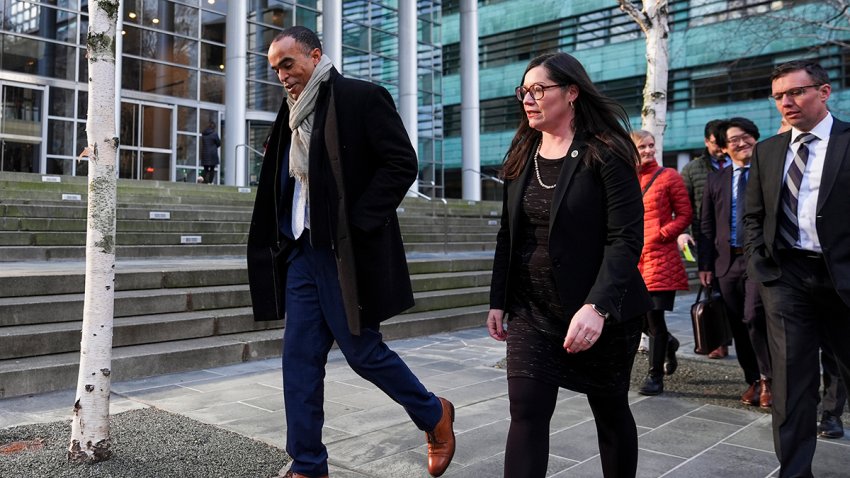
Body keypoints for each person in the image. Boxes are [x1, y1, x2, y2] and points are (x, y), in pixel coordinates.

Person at [247, 27, 455, 478]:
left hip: (344, 255)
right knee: (298, 360)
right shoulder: (288, 116)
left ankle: (434, 414)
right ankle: (307, 464)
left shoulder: (361, 97)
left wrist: (358, 223)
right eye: (275, 68)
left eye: (289, 63)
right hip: (302, 252)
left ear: (315, 55)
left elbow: (402, 162)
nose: (282, 75)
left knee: (363, 353)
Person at [486, 52, 651, 478]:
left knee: (610, 410)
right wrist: (498, 299)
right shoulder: (523, 149)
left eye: (539, 89)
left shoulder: (607, 151)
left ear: (572, 92)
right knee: (525, 411)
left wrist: (597, 307)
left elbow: (626, 238)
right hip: (532, 308)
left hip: (599, 311)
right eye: (524, 90)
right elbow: (510, 233)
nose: (528, 98)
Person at [744, 60, 850, 477]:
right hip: (785, 277)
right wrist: (759, 263)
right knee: (791, 384)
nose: (786, 102)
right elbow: (754, 215)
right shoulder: (767, 150)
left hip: (842, 277)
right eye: (779, 96)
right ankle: (794, 472)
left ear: (824, 92)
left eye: (796, 92)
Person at [777, 117, 847, 439]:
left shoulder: (837, 148)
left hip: (836, 269)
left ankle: (832, 412)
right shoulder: (774, 156)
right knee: (795, 358)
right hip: (789, 270)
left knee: (834, 350)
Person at [697, 117, 772, 408]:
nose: (740, 143)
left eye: (745, 137)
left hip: (759, 260)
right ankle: (753, 380)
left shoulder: (767, 173)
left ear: (755, 138)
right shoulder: (717, 179)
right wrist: (705, 265)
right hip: (726, 262)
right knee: (737, 325)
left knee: (754, 317)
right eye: (733, 140)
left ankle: (769, 378)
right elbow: (705, 224)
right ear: (724, 148)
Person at [631, 130, 692, 396]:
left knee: (654, 317)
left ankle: (655, 376)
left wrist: (663, 233)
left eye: (650, 146)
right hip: (633, 259)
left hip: (660, 257)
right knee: (637, 318)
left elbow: (685, 213)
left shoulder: (669, 176)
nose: (648, 151)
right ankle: (668, 343)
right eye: (642, 147)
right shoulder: (625, 179)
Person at [677, 119, 733, 359]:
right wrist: (685, 231)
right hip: (707, 238)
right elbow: (684, 205)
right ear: (706, 141)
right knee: (713, 291)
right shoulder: (693, 169)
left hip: (737, 236)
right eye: (715, 143)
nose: (720, 148)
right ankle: (718, 340)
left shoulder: (742, 161)